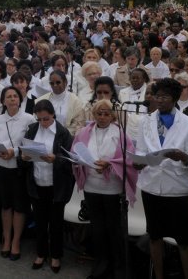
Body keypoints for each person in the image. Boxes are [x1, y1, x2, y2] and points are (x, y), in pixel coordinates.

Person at [135, 78, 188, 279]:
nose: (159, 100)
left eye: (164, 96)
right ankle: (159, 275)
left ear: (174, 98)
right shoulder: (145, 121)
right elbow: (140, 150)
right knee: (155, 236)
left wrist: (182, 157)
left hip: (177, 189)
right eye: (157, 96)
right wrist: (140, 161)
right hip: (152, 186)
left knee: (183, 240)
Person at [72, 99, 137, 279]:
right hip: (91, 186)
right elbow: (74, 153)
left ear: (113, 115)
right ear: (93, 114)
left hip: (112, 188)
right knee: (97, 228)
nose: (102, 117)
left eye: (106, 113)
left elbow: (129, 160)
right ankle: (101, 263)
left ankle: (118, 267)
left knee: (114, 228)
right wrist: (81, 161)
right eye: (99, 113)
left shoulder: (121, 134)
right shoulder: (84, 132)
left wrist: (110, 164)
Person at [21, 99, 74, 274]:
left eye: (46, 119)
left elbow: (69, 161)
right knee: (40, 221)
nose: (43, 123)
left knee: (56, 222)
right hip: (37, 182)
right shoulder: (32, 129)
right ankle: (41, 253)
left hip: (56, 185)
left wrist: (55, 159)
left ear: (53, 115)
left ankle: (56, 255)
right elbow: (25, 151)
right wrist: (25, 158)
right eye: (40, 119)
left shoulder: (63, 133)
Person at [0, 86, 36, 259]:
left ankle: (16, 241)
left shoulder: (28, 118)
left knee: (19, 207)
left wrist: (14, 152)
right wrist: (0, 152)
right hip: (2, 166)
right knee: (6, 206)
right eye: (8, 97)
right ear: (3, 101)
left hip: (19, 168)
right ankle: (6, 239)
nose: (12, 99)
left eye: (15, 96)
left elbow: (30, 144)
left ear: (20, 99)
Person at [34, 70, 86, 135]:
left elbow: (78, 124)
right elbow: (37, 120)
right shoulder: (41, 100)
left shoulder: (76, 101)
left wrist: (61, 135)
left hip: (66, 137)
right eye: (52, 83)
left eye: (58, 82)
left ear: (65, 82)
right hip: (44, 135)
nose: (55, 85)